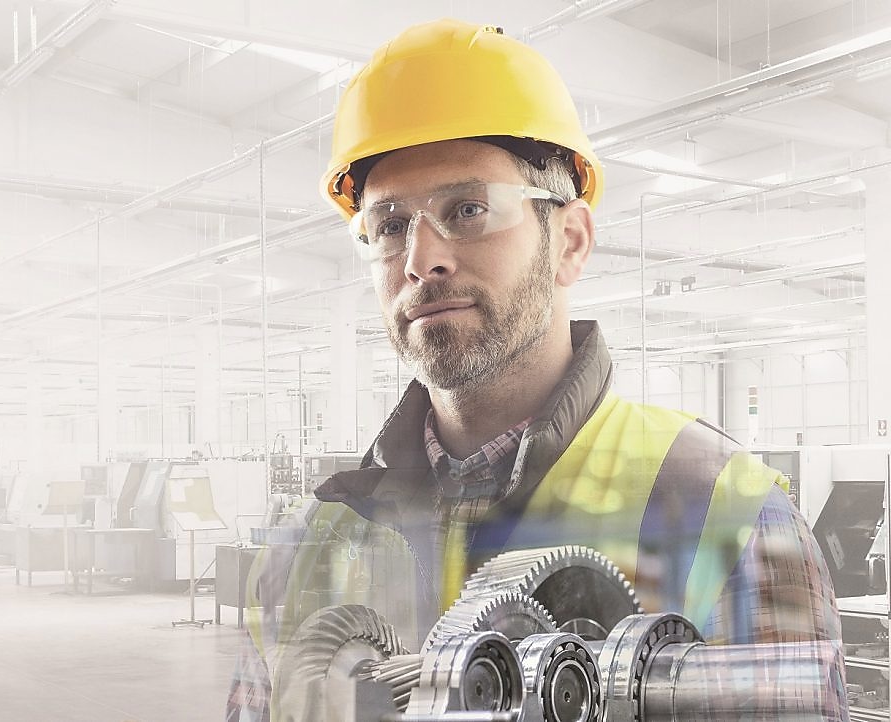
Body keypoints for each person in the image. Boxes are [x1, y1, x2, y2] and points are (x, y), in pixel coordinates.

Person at [226, 18, 846, 721]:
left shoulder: (723, 513)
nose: (420, 258)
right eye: (390, 224)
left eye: (467, 209)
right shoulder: (312, 546)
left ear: (570, 242)